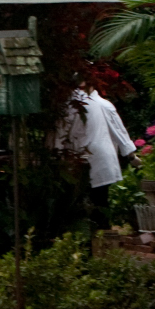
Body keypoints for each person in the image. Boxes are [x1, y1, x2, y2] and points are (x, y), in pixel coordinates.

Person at [53, 86, 136, 217]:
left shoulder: (71, 105)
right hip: (101, 159)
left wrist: (55, 155)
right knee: (100, 201)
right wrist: (131, 155)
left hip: (82, 160)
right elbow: (120, 133)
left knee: (78, 202)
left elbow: (59, 135)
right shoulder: (104, 104)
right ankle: (101, 225)